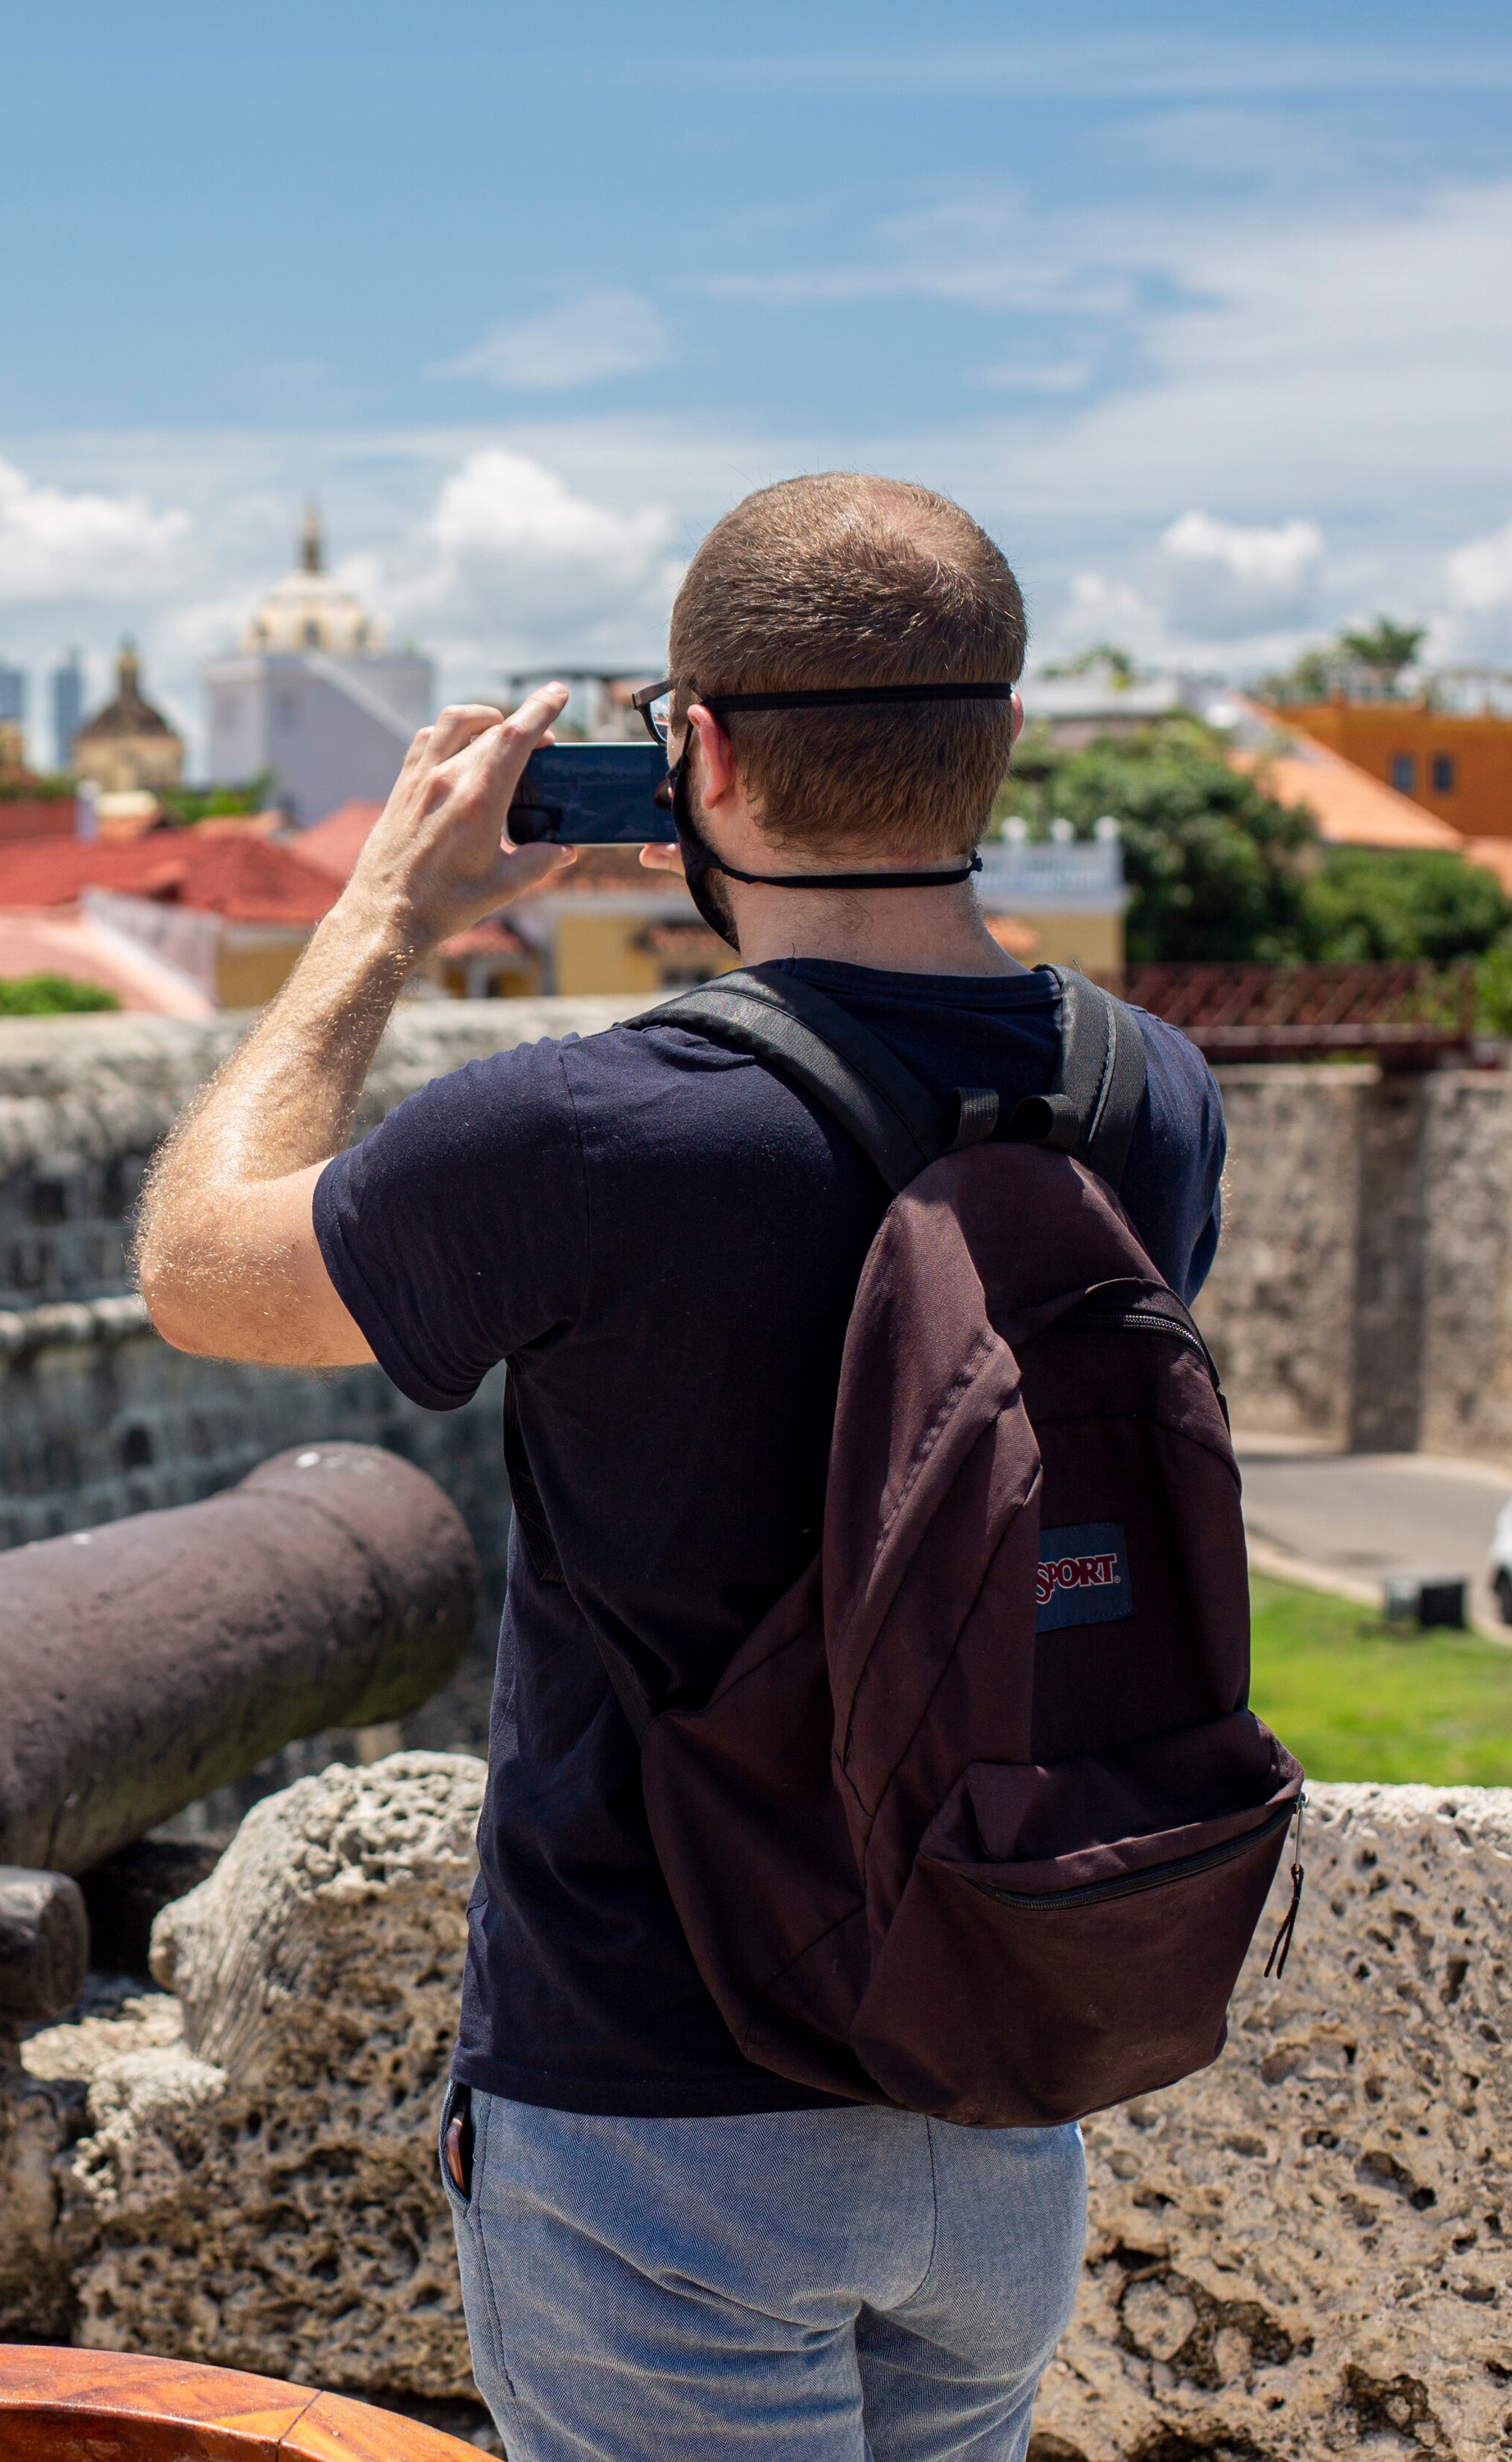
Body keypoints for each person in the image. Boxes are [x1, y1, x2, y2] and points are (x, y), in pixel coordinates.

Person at [133, 474, 1225, 2462]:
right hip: (1001, 2044)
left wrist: (382, 914)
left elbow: (203, 1269)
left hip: (664, 2094)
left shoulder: (593, 1128)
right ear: (993, 746)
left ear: (693, 756)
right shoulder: (1150, 1097)